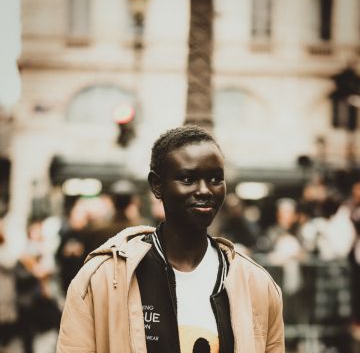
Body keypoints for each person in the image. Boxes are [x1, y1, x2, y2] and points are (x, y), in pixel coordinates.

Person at [57, 125, 284, 353]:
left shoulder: (257, 285)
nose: (205, 190)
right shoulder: (100, 280)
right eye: (188, 179)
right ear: (157, 186)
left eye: (216, 178)